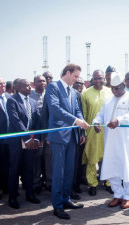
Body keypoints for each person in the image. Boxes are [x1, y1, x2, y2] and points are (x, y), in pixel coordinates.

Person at [45, 64, 89, 220]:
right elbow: (55, 109)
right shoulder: (53, 87)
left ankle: (66, 199)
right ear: (68, 73)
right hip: (58, 136)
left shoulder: (73, 91)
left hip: (72, 136)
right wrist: (75, 120)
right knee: (59, 172)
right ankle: (57, 206)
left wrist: (81, 121)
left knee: (69, 170)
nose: (77, 80)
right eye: (75, 76)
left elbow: (76, 109)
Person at [93, 72, 129, 209]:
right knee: (112, 166)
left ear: (124, 85)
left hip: (127, 141)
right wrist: (96, 122)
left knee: (128, 167)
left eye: (117, 88)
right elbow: (100, 114)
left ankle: (128, 196)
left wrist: (118, 120)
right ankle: (117, 194)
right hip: (111, 141)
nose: (114, 91)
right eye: (112, 88)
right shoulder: (109, 100)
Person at [6, 79, 41, 209]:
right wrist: (27, 138)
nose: (30, 87)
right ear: (19, 87)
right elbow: (15, 121)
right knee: (14, 169)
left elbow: (37, 121)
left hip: (31, 141)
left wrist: (36, 138)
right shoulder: (12, 100)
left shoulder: (33, 101)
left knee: (29, 168)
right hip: (17, 141)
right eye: (27, 85)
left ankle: (30, 194)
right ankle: (13, 197)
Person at [81, 70, 112, 196]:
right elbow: (84, 114)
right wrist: (85, 132)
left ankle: (109, 183)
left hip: (109, 131)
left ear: (104, 79)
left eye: (101, 78)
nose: (98, 81)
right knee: (92, 159)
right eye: (96, 78)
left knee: (108, 157)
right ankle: (92, 184)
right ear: (92, 79)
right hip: (92, 131)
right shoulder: (86, 94)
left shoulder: (110, 92)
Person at [29, 75, 47, 195]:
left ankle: (49, 182)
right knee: (36, 159)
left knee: (48, 159)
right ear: (34, 83)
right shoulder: (30, 96)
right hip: (36, 132)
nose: (41, 83)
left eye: (43, 81)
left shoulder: (50, 95)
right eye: (39, 81)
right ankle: (36, 183)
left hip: (49, 131)